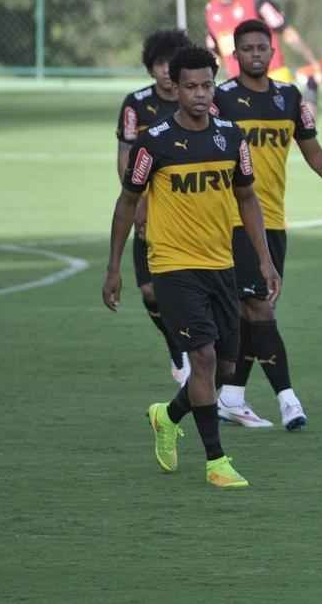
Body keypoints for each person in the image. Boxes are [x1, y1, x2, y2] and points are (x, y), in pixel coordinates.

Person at [102, 45, 280, 489]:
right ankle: (216, 461)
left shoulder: (231, 137)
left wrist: (264, 258)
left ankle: (168, 414)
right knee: (200, 357)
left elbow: (247, 199)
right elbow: (127, 203)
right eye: (191, 87)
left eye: (207, 85)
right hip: (173, 265)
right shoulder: (154, 142)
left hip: (222, 263)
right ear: (175, 89)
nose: (200, 94)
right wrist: (113, 268)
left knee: (222, 369)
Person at [213, 19, 322, 430]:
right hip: (231, 221)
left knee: (256, 311)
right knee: (259, 307)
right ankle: (288, 399)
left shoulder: (289, 98)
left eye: (261, 48)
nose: (255, 54)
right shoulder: (222, 100)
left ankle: (230, 395)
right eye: (246, 48)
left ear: (272, 52)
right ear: (236, 55)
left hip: (273, 222)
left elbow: (315, 155)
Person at [115, 28, 192, 386]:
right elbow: (125, 158)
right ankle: (176, 344)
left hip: (188, 209)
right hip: (148, 207)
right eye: (159, 63)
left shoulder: (193, 100)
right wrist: (139, 201)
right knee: (149, 291)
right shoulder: (136, 104)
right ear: (151, 67)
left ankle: (195, 346)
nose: (165, 70)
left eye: (171, 62)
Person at [204, 0, 322, 110]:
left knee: (296, 129)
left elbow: (287, 32)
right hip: (240, 87)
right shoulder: (210, 11)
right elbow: (216, 55)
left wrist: (314, 62)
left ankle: (311, 89)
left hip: (273, 75)